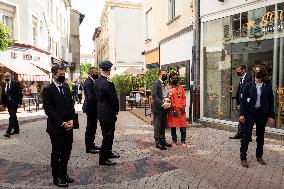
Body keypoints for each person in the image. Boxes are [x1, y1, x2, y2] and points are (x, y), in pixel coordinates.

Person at [42, 65, 75, 187]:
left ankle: (64, 173)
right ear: (54, 75)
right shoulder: (48, 90)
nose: (62, 77)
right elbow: (49, 110)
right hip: (56, 128)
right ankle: (57, 177)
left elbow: (71, 105)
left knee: (67, 152)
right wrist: (62, 123)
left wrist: (72, 120)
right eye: (60, 75)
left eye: (63, 74)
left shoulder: (66, 87)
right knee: (57, 153)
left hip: (69, 126)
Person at [239, 65, 275, 168]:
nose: (258, 73)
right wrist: (242, 114)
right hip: (250, 113)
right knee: (246, 135)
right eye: (256, 71)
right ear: (254, 73)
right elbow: (242, 101)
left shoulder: (267, 86)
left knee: (260, 136)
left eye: (260, 71)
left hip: (262, 114)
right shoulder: (248, 85)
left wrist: (271, 115)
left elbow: (271, 101)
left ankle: (259, 156)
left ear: (262, 73)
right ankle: (243, 158)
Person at [94, 61, 120, 166]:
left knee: (107, 134)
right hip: (108, 112)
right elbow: (113, 99)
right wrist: (116, 110)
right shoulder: (108, 83)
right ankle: (103, 158)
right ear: (108, 70)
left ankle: (108, 152)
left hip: (101, 111)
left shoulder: (97, 81)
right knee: (108, 135)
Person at [151, 69, 172, 150]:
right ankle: (157, 142)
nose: (166, 75)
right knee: (158, 126)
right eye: (164, 74)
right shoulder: (156, 83)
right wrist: (162, 104)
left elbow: (165, 95)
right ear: (160, 74)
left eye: (166, 74)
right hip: (158, 108)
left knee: (163, 125)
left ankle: (163, 140)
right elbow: (154, 96)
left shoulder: (164, 84)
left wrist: (168, 96)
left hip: (165, 108)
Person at [230, 65, 252, 140]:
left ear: (243, 70)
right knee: (241, 117)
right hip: (242, 102)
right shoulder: (241, 78)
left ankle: (247, 136)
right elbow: (240, 90)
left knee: (246, 119)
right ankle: (240, 133)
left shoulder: (248, 78)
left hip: (247, 102)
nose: (237, 71)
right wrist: (238, 99)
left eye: (239, 70)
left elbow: (249, 91)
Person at [82, 67, 100, 154]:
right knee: (90, 127)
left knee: (93, 127)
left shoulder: (92, 81)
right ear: (92, 73)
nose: (97, 74)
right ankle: (89, 147)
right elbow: (91, 97)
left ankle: (91, 144)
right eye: (96, 73)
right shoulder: (89, 82)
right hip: (91, 108)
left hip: (93, 108)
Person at [167, 72, 188, 147]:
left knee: (183, 127)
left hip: (181, 110)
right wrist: (174, 108)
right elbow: (169, 99)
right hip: (173, 110)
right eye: (174, 78)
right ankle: (174, 141)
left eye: (176, 78)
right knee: (173, 127)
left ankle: (183, 141)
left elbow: (184, 97)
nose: (175, 79)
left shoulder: (181, 87)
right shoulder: (169, 88)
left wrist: (184, 106)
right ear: (171, 79)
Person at [0, 72, 23, 138]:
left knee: (12, 116)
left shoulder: (15, 83)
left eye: (7, 76)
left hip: (14, 103)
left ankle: (8, 131)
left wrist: (19, 102)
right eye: (5, 77)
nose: (6, 78)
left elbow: (19, 93)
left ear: (10, 77)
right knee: (13, 116)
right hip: (8, 103)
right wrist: (1, 103)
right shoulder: (4, 84)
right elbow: (3, 95)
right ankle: (16, 130)